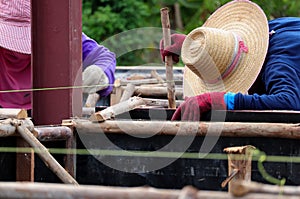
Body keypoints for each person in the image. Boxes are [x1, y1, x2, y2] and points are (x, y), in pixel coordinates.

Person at [160, 0, 300, 121]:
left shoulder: (278, 66)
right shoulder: (274, 29)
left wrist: (220, 100)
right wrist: (192, 46)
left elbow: (288, 102)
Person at [0, 0, 116, 110]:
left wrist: (101, 73)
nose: (19, 50)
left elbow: (103, 57)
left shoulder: (61, 35)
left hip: (52, 118)